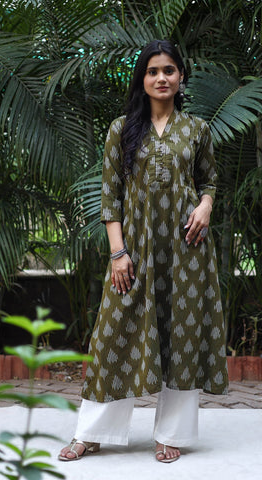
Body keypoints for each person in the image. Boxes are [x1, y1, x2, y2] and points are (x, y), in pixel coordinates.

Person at [59, 39, 228, 464]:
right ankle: (92, 432)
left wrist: (206, 206)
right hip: (134, 249)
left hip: (186, 251)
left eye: (169, 70)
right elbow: (110, 196)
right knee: (113, 334)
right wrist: (118, 253)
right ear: (143, 79)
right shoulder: (122, 129)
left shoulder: (197, 129)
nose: (161, 78)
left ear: (181, 76)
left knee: (182, 336)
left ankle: (170, 434)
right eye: (153, 71)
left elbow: (209, 180)